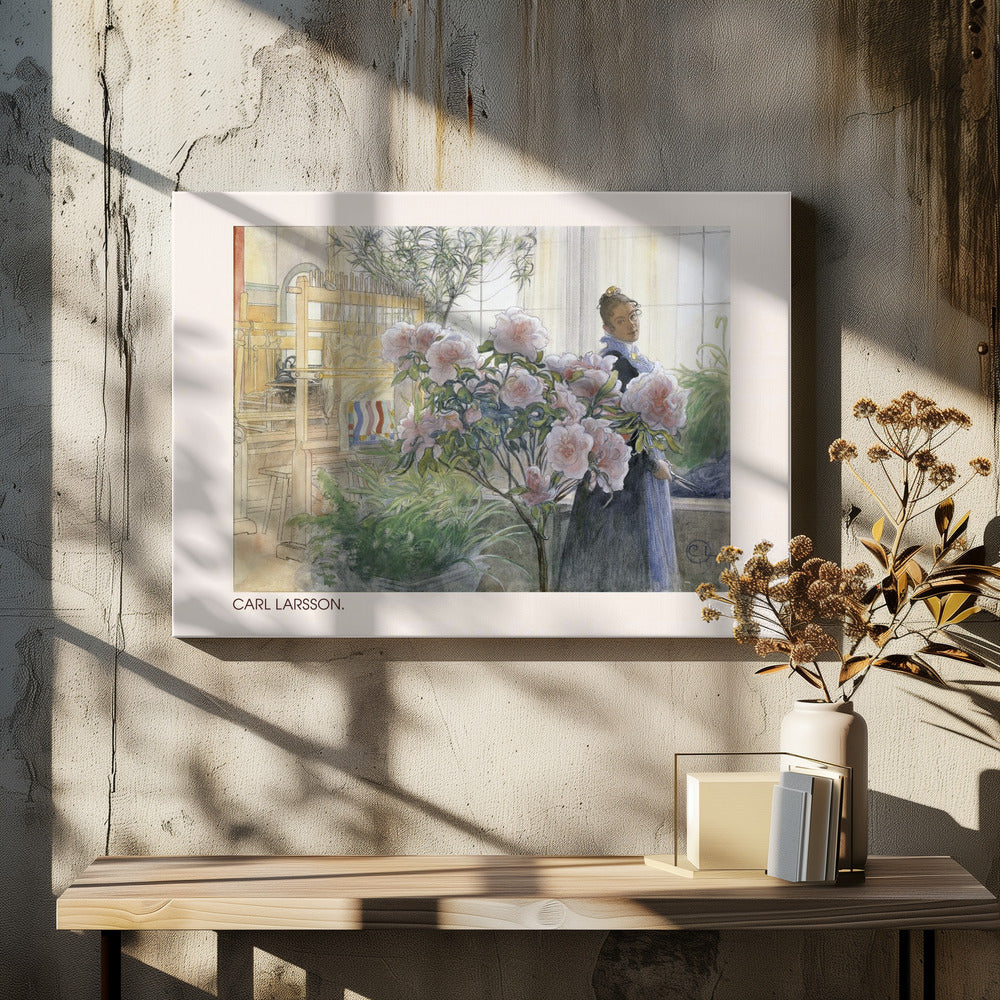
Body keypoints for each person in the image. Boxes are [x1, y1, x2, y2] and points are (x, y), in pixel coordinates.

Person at [557, 287, 679, 592]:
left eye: (633, 316)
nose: (631, 324)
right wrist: (652, 464)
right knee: (619, 555)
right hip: (621, 474)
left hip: (631, 466)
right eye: (621, 320)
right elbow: (618, 428)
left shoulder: (633, 359)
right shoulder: (614, 363)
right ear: (607, 328)